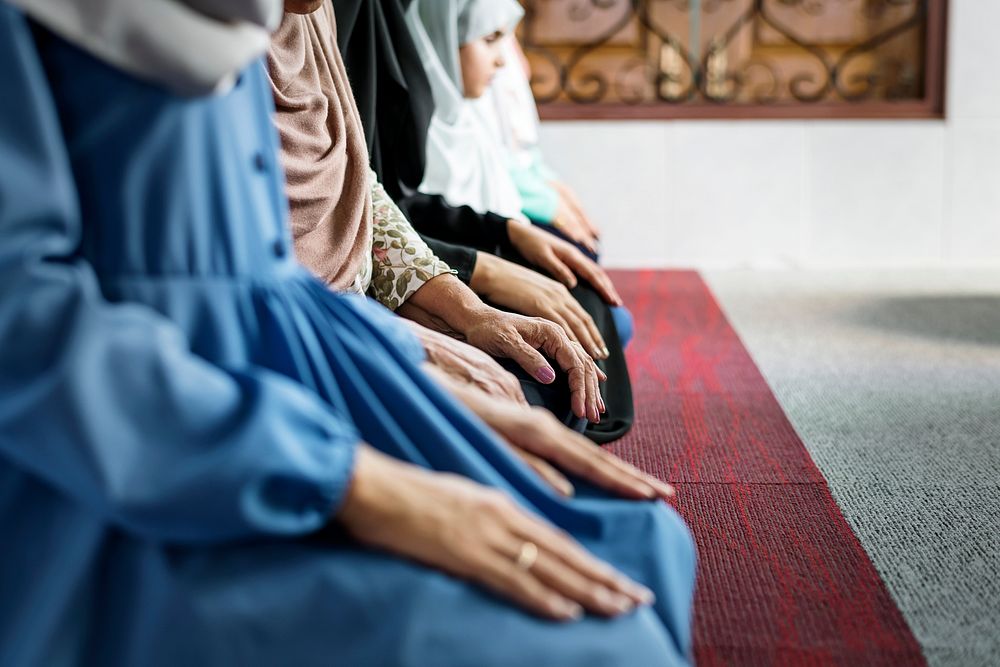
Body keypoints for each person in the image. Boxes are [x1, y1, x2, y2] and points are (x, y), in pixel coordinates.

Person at [0, 1, 696, 665]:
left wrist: (404, 386)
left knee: (643, 534)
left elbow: (268, 283)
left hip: (289, 389)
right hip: (138, 463)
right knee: (603, 642)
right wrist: (352, 479)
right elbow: (24, 330)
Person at [266, 1, 603, 427]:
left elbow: (359, 184)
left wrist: (471, 313)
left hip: (364, 305)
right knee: (524, 408)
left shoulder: (315, 15)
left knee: (551, 379)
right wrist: (390, 337)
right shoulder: (204, 58)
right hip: (292, 336)